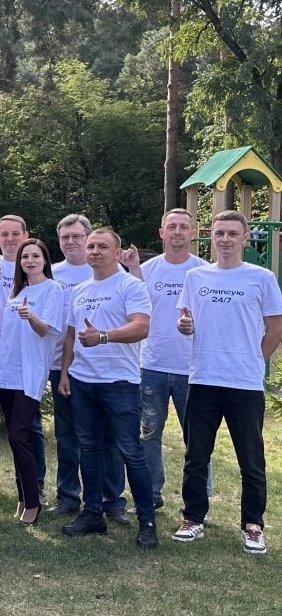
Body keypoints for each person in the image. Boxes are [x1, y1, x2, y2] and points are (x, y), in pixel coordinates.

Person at [172, 210, 282, 554]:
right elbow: (185, 321)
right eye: (219, 233)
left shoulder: (261, 277)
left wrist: (253, 361)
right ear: (211, 237)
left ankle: (253, 526)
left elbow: (276, 327)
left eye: (233, 234)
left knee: (251, 461)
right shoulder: (196, 277)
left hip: (244, 385)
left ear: (245, 238)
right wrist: (184, 327)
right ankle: (193, 518)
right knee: (196, 457)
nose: (225, 239)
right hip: (203, 379)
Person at [58, 228, 158, 548]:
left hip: (119, 383)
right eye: (91, 246)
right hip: (82, 381)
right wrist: (65, 374)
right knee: (89, 448)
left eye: (103, 246)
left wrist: (103, 336)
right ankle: (93, 514)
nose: (95, 251)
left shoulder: (130, 285)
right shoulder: (80, 290)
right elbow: (71, 336)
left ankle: (147, 521)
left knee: (130, 451)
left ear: (117, 253)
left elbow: (141, 327)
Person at [121, 208, 209, 510]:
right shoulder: (146, 269)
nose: (177, 232)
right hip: (152, 365)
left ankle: (198, 501)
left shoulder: (205, 271)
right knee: (148, 434)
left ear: (193, 233)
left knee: (197, 438)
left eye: (184, 227)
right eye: (171, 226)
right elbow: (134, 309)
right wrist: (133, 270)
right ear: (162, 232)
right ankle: (151, 494)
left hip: (193, 368)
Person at [46, 214, 127, 521]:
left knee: (108, 438)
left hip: (107, 369)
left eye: (77, 236)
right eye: (65, 237)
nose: (71, 242)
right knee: (67, 435)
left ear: (89, 238)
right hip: (63, 365)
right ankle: (68, 496)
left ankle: (112, 500)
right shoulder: (51, 272)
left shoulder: (113, 272)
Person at [0, 215, 47, 501]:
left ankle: (35, 484)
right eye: (4, 234)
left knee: (30, 424)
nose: (10, 239)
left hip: (22, 354)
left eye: (16, 233)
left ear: (25, 236)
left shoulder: (31, 266)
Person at [0, 239, 64, 526]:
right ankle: (22, 497)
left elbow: (46, 330)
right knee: (17, 438)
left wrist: (31, 316)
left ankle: (33, 501)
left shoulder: (52, 289)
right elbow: (7, 337)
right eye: (25, 257)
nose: (30, 261)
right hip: (7, 372)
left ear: (45, 260)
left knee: (18, 435)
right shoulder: (17, 291)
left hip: (30, 372)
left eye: (36, 256)